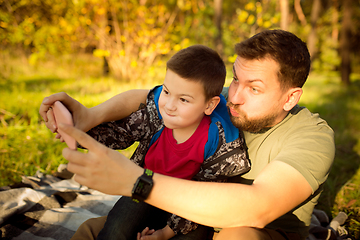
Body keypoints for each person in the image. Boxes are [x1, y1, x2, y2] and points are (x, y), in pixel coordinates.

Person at [39, 29, 335, 240]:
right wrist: (90, 115)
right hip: (179, 215)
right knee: (92, 231)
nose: (235, 96)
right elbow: (149, 98)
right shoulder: (217, 102)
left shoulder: (312, 136)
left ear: (290, 98)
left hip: (250, 230)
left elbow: (258, 208)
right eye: (235, 78)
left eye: (254, 88)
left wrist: (137, 182)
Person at [42, 45, 251, 240]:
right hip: (146, 179)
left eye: (184, 100)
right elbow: (119, 133)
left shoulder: (218, 141)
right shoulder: (156, 116)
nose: (169, 105)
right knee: (118, 226)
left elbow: (206, 195)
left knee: (197, 235)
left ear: (209, 105)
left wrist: (165, 233)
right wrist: (78, 131)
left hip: (189, 199)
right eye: (167, 92)